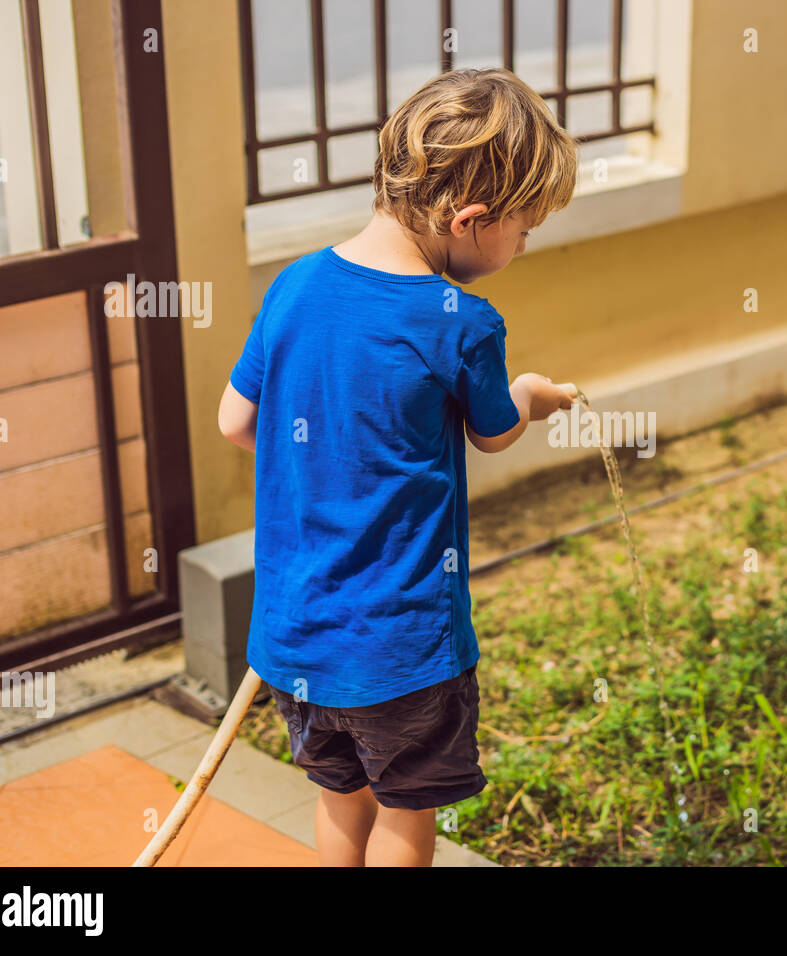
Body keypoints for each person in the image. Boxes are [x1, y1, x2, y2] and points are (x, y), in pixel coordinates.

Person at [217, 68, 577, 865]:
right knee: (407, 812)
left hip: (296, 637)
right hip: (403, 648)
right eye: (525, 230)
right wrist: (530, 395)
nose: (522, 246)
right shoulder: (463, 324)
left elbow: (236, 421)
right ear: (473, 219)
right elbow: (492, 434)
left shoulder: (293, 285)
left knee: (340, 798)